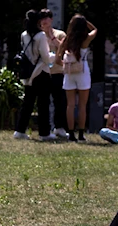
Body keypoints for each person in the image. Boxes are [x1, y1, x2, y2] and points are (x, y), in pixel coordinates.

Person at [14, 10, 56, 142]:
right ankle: (44, 133)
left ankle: (20, 130)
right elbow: (46, 58)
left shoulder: (23, 35)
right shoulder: (41, 36)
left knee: (27, 103)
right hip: (41, 73)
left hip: (27, 73)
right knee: (43, 104)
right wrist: (55, 55)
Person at [55, 14, 97, 143]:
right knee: (82, 105)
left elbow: (57, 60)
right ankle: (81, 134)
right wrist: (86, 22)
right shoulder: (86, 39)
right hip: (82, 72)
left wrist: (68, 66)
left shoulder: (66, 40)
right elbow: (95, 30)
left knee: (70, 105)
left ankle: (71, 134)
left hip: (69, 74)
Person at [39, 8, 68, 139]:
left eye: (47, 18)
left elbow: (64, 48)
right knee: (43, 101)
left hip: (57, 71)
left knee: (60, 101)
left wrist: (51, 37)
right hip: (42, 72)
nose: (44, 21)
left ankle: (59, 127)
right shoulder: (38, 35)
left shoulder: (60, 34)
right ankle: (45, 129)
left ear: (51, 19)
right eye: (42, 18)